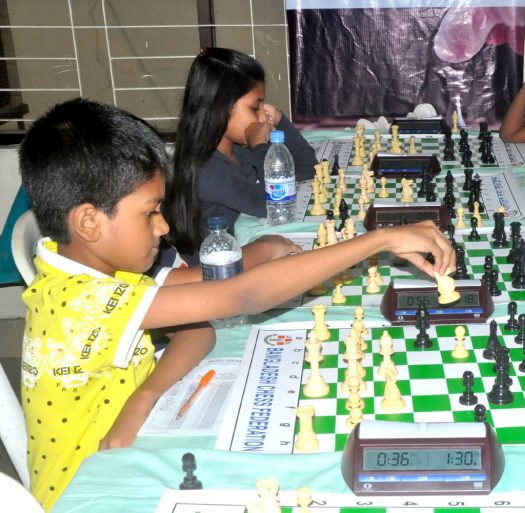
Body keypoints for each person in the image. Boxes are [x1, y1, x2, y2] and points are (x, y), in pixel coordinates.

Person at [18, 99, 454, 511]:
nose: (164, 225)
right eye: (150, 212)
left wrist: (144, 395)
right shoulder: (84, 303)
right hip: (91, 492)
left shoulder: (93, 270)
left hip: (129, 447)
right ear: (89, 222)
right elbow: (240, 295)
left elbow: (199, 325)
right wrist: (378, 240)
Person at [166, 47, 318, 263]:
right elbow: (272, 206)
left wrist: (280, 119)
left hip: (244, 251)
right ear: (221, 108)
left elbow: (308, 169)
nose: (262, 118)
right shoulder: (207, 168)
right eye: (255, 108)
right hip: (218, 273)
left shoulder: (236, 149)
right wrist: (260, 146)